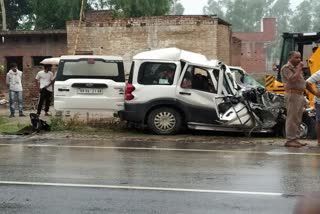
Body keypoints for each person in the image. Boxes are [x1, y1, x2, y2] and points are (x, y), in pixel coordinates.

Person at [280, 51, 307, 147]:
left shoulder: (296, 68)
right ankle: (290, 140)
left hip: (299, 95)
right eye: (296, 58)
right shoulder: (286, 68)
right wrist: (299, 69)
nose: (299, 60)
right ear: (290, 57)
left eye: (299, 57)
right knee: (292, 118)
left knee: (298, 118)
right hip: (292, 95)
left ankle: (295, 139)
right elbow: (292, 79)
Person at [306, 70, 320, 146]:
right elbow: (307, 83)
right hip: (319, 102)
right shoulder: (319, 73)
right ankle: (319, 141)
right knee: (319, 121)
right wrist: (315, 93)